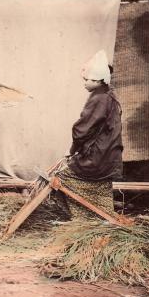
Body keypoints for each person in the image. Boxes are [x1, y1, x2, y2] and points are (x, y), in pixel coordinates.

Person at [56, 50, 123, 220]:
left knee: (62, 177)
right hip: (108, 157)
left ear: (100, 81)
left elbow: (81, 131)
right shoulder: (109, 94)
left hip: (98, 158)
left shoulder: (99, 98)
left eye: (88, 80)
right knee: (95, 184)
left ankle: (83, 219)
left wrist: (72, 150)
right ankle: (99, 217)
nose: (84, 83)